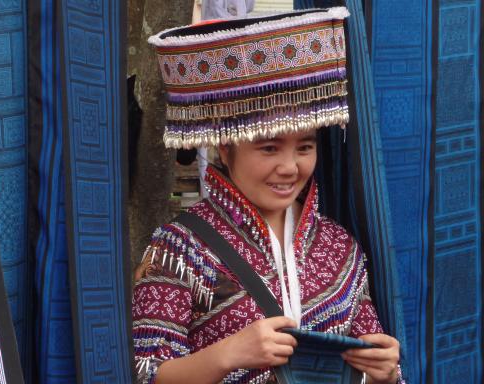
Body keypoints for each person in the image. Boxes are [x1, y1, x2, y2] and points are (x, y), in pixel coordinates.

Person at [133, 7, 403, 384]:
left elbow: (369, 364)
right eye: (269, 149)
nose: (290, 167)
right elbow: (146, 373)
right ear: (225, 148)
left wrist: (386, 372)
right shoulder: (177, 250)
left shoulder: (340, 248)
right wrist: (229, 353)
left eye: (305, 147)